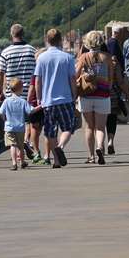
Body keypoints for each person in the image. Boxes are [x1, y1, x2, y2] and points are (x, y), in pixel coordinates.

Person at [31, 28, 77, 167]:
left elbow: (38, 81)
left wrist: (39, 99)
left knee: (50, 132)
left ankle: (56, 161)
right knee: (68, 128)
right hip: (65, 99)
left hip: (48, 101)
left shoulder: (42, 58)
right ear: (60, 40)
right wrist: (74, 95)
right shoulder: (67, 58)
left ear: (47, 40)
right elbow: (72, 79)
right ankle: (61, 146)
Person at [0, 24, 41, 163]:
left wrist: (0, 91)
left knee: (13, 123)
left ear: (12, 34)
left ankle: (18, 153)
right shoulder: (31, 50)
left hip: (11, 95)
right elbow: (37, 72)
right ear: (23, 33)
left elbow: (0, 72)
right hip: (29, 92)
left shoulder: (6, 52)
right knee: (28, 122)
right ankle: (26, 142)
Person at [74, 30, 115, 164]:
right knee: (100, 127)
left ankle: (91, 155)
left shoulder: (83, 57)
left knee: (89, 127)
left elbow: (75, 75)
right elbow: (111, 77)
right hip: (103, 95)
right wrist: (108, 88)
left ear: (87, 42)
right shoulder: (108, 57)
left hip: (86, 95)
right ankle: (99, 148)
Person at [104, 22, 128, 155]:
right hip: (112, 87)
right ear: (118, 33)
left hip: (103, 89)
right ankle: (110, 141)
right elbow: (115, 62)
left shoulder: (110, 43)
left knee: (104, 118)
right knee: (112, 116)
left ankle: (100, 145)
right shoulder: (113, 44)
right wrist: (125, 91)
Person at [0, 78, 31, 170]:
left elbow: (1, 113)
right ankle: (22, 162)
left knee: (13, 145)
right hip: (20, 127)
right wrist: (40, 106)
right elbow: (30, 111)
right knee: (21, 146)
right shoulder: (23, 101)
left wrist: (5, 119)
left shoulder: (6, 101)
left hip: (9, 127)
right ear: (20, 89)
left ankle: (14, 163)